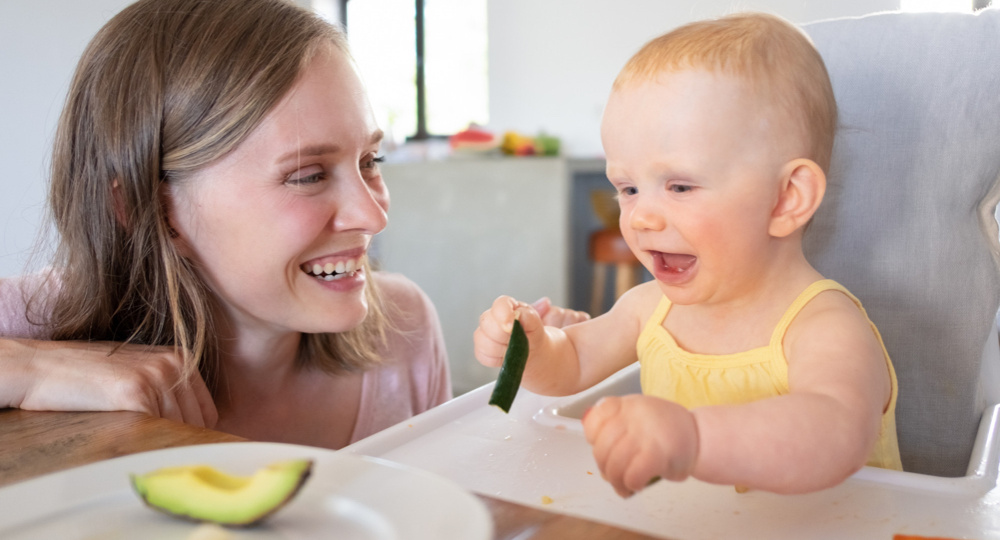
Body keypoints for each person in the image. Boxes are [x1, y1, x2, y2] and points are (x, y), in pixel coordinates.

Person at [0, 0, 585, 449]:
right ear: (150, 210)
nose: (373, 214)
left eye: (369, 162)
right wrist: (29, 369)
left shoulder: (402, 332)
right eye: (307, 175)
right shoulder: (34, 327)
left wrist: (534, 408)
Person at [474, 13, 902, 497]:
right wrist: (531, 349)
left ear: (787, 199)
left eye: (679, 185)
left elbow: (835, 435)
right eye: (628, 188)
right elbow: (571, 362)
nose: (640, 218)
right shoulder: (648, 309)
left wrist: (694, 438)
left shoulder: (825, 325)